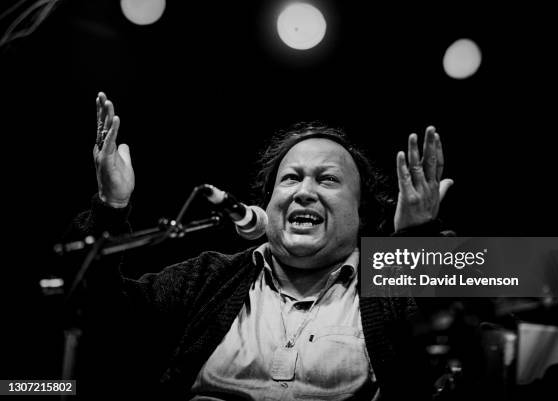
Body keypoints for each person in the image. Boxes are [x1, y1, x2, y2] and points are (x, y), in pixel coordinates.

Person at [74, 92, 454, 401]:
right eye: (290, 179)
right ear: (268, 204)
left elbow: (502, 284)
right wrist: (110, 206)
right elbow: (103, 313)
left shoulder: (392, 282)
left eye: (328, 179)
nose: (305, 192)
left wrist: (417, 240)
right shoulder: (209, 277)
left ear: (361, 213)